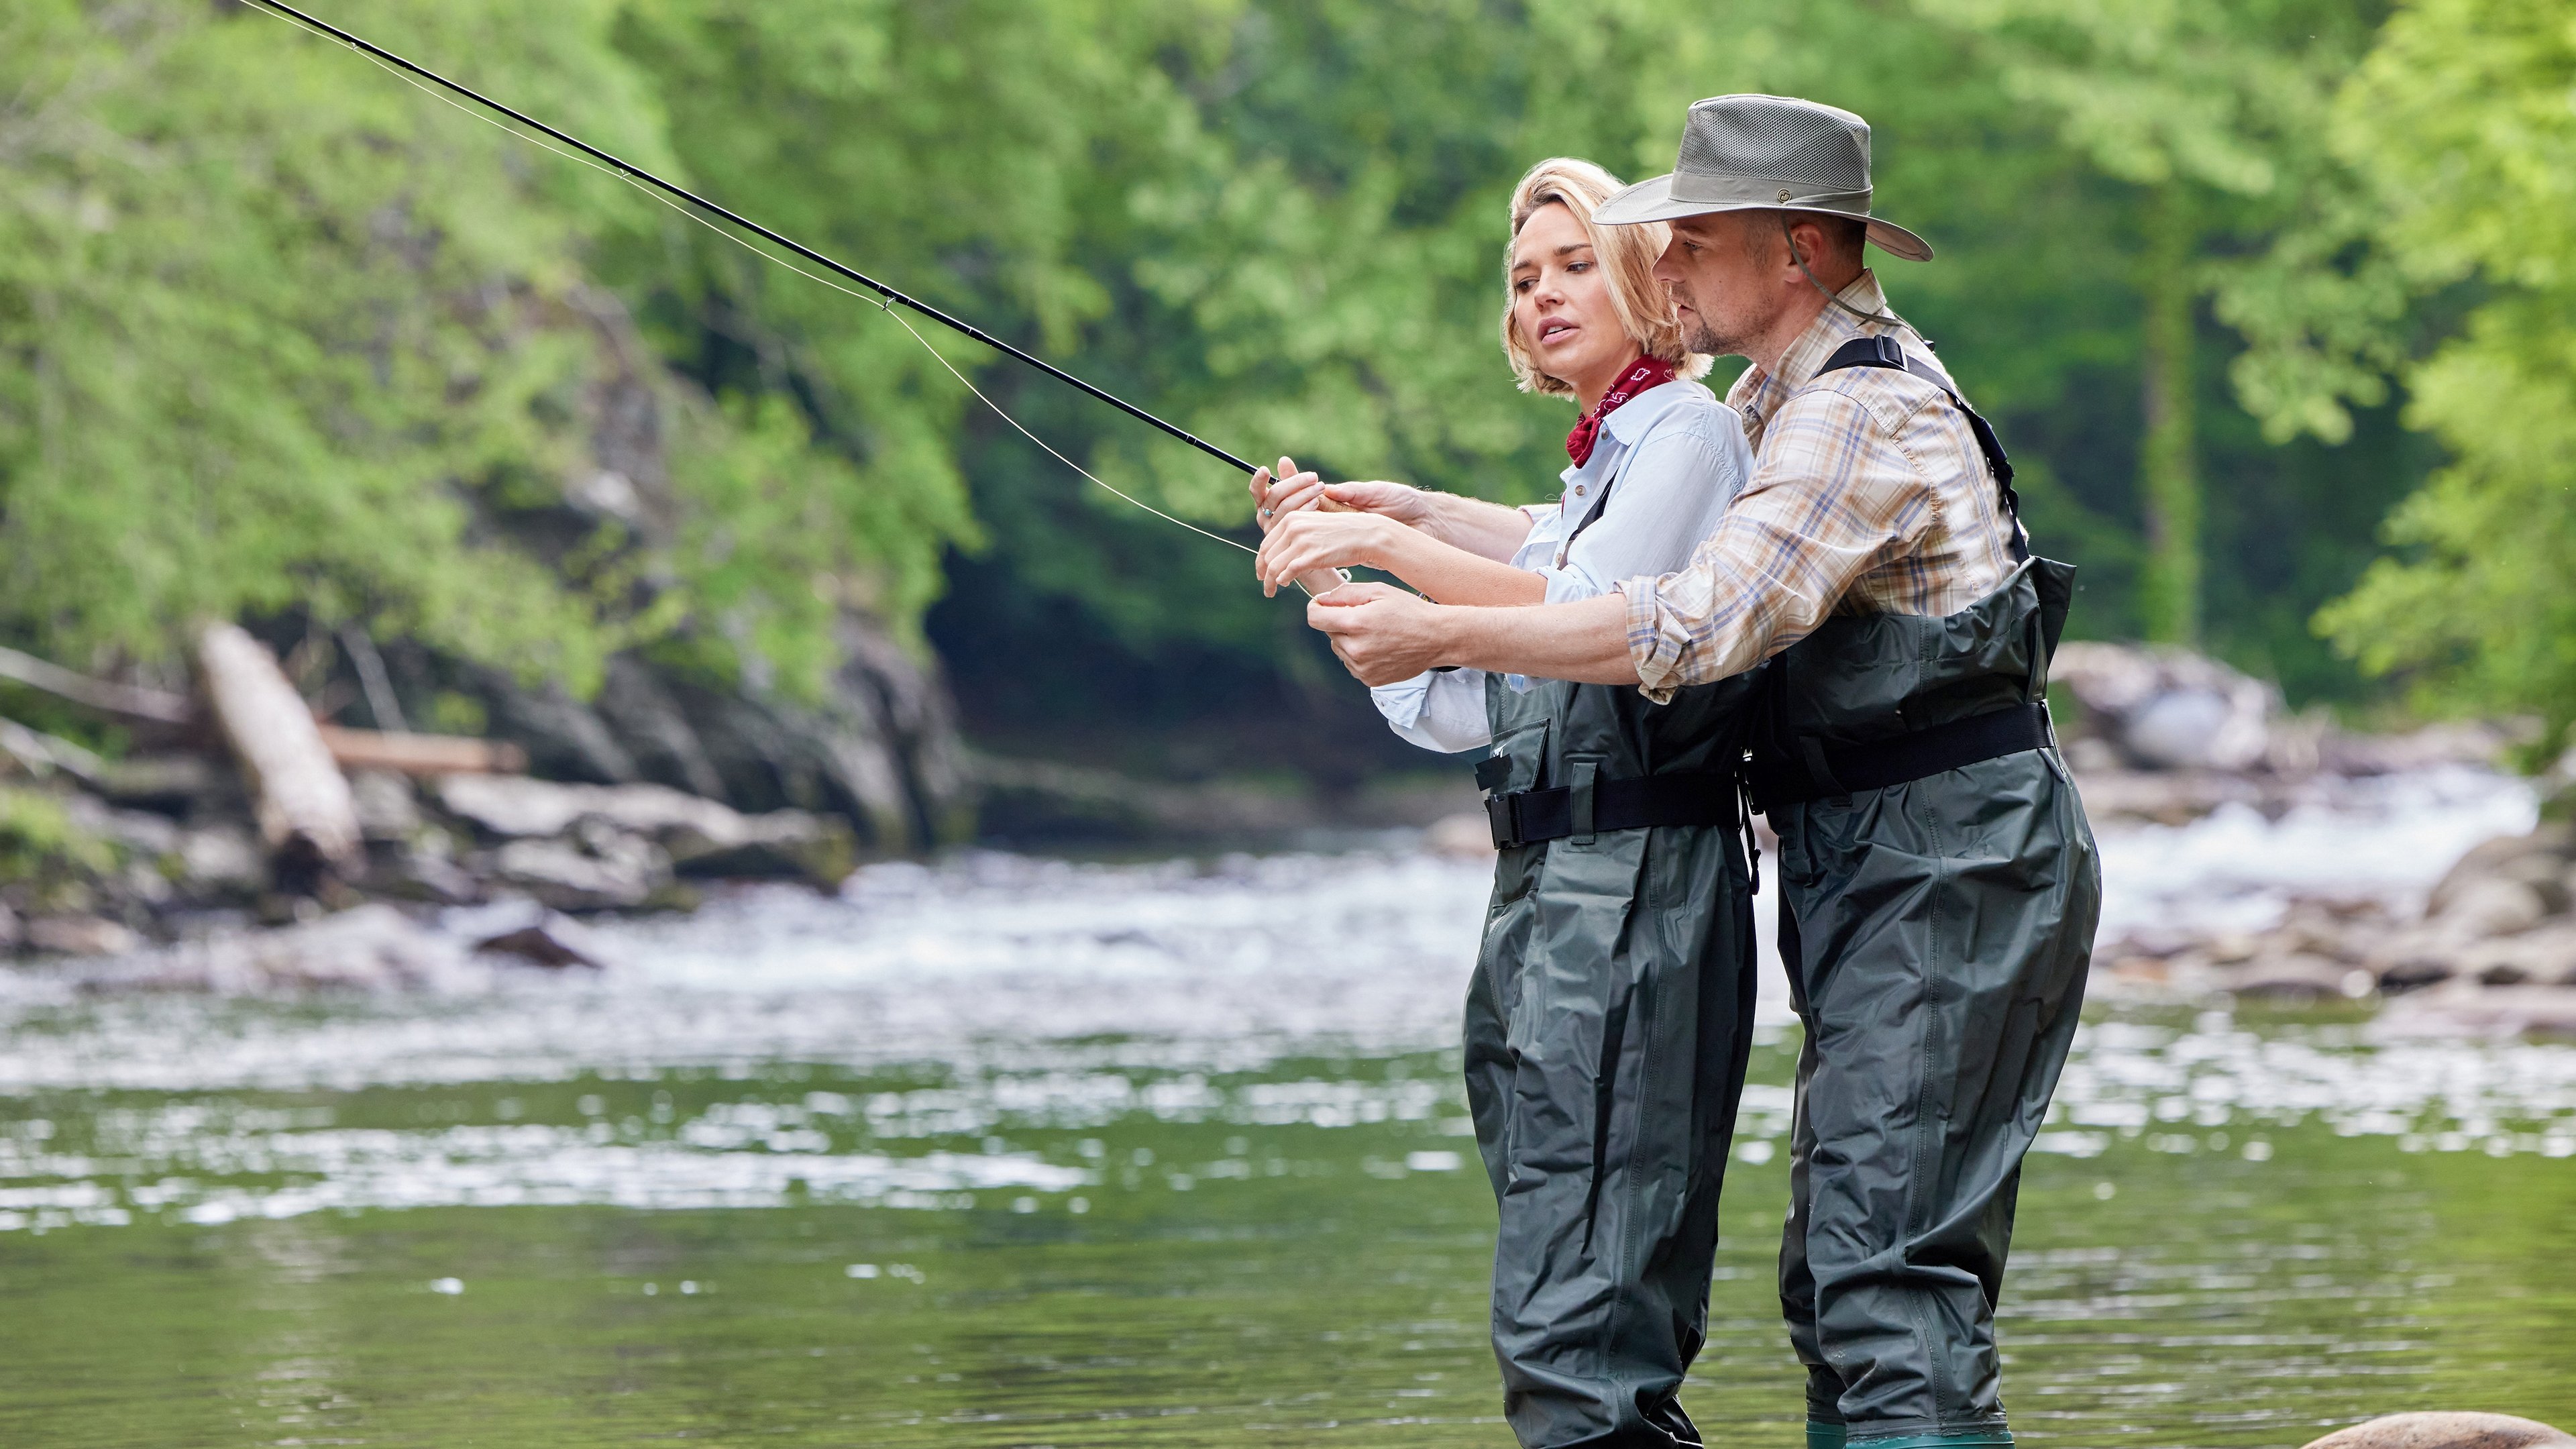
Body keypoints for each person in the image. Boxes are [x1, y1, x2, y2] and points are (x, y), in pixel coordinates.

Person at [1291, 96, 2102, 1449]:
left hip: (1957, 856)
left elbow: (1695, 617)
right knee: (1844, 1276)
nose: (1659, 267)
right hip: (1879, 855)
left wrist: (1438, 626)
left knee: (1886, 1278)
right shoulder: (1772, 399)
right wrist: (1415, 515)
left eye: (1694, 240)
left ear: (1794, 250)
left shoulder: (1852, 420)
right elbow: (1592, 540)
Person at [1247, 158, 1768, 1449]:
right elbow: (1473, 699)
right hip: (1546, 898)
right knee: (1562, 1269)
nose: (1542, 294)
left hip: (1635, 889)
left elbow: (1595, 607)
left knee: (1582, 1314)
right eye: (1523, 277)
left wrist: (1396, 557)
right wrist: (1365, 593)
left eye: (1576, 263)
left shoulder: (1688, 434)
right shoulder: (1606, 457)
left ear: (1649, 275)